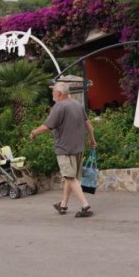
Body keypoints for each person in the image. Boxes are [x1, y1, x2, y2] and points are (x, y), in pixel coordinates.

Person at [30, 82, 97, 218]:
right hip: (79, 148)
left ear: (59, 93)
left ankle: (85, 206)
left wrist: (33, 133)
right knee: (69, 177)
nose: (52, 93)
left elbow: (47, 126)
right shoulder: (77, 104)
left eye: (53, 91)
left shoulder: (59, 106)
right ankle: (63, 205)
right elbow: (88, 124)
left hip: (64, 149)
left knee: (70, 177)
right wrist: (92, 140)